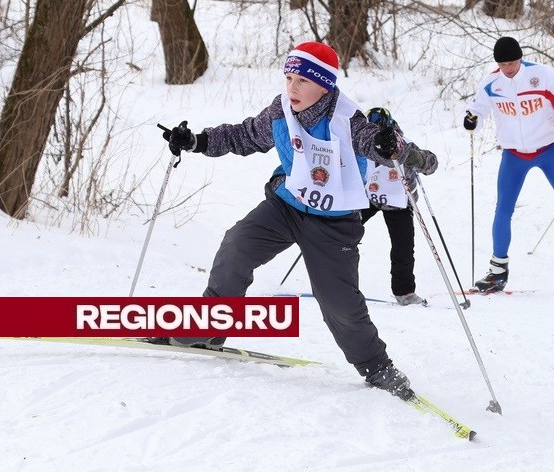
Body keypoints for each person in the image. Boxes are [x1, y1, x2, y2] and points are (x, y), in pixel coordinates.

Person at [159, 41, 428, 399]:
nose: (292, 88)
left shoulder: (349, 120)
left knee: (338, 301)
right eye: (288, 78)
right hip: (285, 206)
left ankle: (377, 367)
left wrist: (386, 144)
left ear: (325, 85)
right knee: (236, 245)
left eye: (302, 80)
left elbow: (374, 144)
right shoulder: (281, 110)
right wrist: (197, 141)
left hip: (333, 223)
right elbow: (244, 135)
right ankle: (209, 328)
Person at [463, 36, 554, 292]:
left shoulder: (543, 75)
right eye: (503, 64)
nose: (509, 68)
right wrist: (471, 120)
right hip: (514, 154)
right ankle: (497, 272)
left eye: (513, 62)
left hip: (549, 148)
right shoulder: (491, 83)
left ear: (520, 58)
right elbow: (477, 111)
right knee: (503, 209)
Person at [361, 107, 439, 306]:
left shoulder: (403, 144)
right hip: (368, 197)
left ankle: (405, 292)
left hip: (399, 202)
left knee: (403, 247)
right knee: (342, 231)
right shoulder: (362, 142)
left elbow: (431, 164)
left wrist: (415, 158)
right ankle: (334, 283)